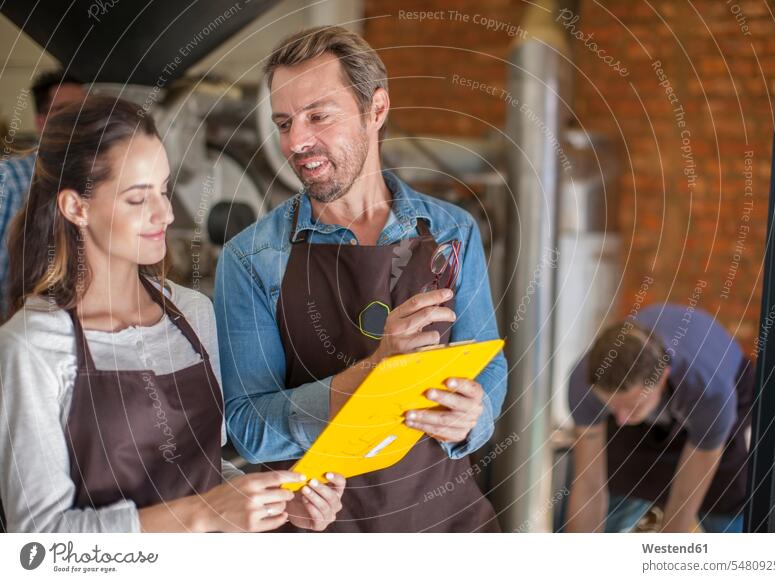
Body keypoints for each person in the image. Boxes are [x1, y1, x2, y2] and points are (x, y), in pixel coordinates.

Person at [0, 96, 345, 532]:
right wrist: (204, 513)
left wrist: (273, 502)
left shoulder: (193, 314)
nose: (166, 213)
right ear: (76, 208)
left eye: (164, 190)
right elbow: (38, 546)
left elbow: (205, 471)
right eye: (137, 199)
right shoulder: (33, 346)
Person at [214, 26, 508, 532]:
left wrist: (473, 420)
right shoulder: (251, 258)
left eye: (318, 116)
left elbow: (488, 363)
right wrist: (373, 373)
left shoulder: (451, 229)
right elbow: (247, 427)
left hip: (444, 524)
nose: (296, 141)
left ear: (376, 110)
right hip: (319, 529)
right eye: (283, 122)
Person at [563, 303, 754, 533]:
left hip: (718, 398)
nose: (622, 419)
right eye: (613, 406)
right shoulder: (585, 383)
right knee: (613, 497)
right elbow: (588, 485)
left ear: (662, 378)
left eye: (631, 406)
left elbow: (684, 502)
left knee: (725, 513)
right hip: (650, 406)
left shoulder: (709, 391)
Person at [0, 70, 85, 317]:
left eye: (84, 110)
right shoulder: (9, 179)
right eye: (67, 110)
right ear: (41, 122)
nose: (79, 120)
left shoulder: (97, 179)